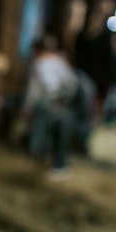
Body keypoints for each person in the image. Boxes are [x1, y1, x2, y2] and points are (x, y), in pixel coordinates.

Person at [22, 35, 79, 177]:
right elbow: (72, 82)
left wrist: (27, 107)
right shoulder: (59, 61)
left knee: (43, 133)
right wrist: (65, 99)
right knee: (59, 132)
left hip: (47, 104)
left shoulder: (39, 63)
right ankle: (58, 163)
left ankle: (48, 160)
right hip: (61, 103)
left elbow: (34, 89)